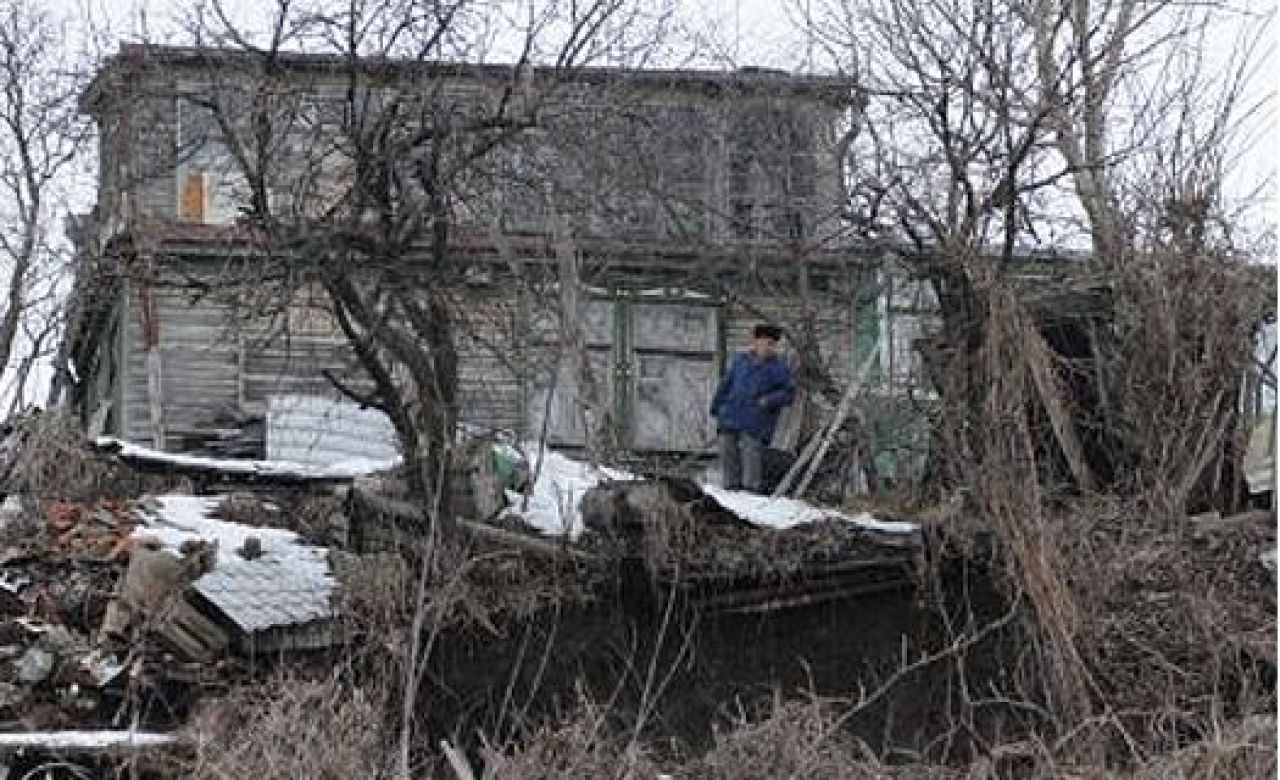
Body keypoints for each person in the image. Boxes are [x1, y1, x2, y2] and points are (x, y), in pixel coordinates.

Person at [710, 323, 795, 493]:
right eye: (765, 343)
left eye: (772, 344)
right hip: (731, 414)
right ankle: (730, 489)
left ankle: (750, 492)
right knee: (728, 452)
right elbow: (726, 384)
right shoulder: (741, 361)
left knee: (751, 454)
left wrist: (769, 400)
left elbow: (788, 394)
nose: (769, 348)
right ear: (756, 342)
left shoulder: (778, 367)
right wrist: (717, 406)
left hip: (756, 419)